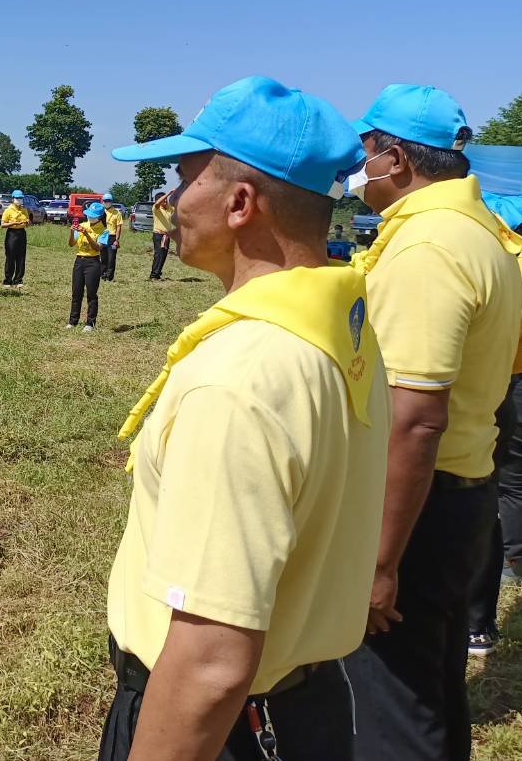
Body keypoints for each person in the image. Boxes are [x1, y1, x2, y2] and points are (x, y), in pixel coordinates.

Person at [100, 75, 389, 761]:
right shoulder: (344, 332)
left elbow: (209, 663)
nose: (171, 200)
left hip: (225, 729)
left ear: (239, 203)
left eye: (182, 177)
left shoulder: (238, 378)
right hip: (306, 705)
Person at [343, 83, 520, 761]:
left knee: (387, 703)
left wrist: (379, 561)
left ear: (394, 159)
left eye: (365, 151)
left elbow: (415, 418)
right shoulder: (474, 233)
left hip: (413, 499)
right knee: (430, 686)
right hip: (456, 489)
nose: (358, 168)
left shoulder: (427, 247)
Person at [466, 196, 522, 655]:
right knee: (510, 478)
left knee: (513, 480)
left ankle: (515, 559)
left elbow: (501, 328)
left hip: (521, 385)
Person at [67, 203, 106, 331]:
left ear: (99, 217)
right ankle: (73, 321)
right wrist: (72, 232)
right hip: (79, 261)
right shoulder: (82, 225)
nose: (90, 217)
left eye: (93, 216)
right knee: (76, 292)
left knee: (91, 293)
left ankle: (90, 323)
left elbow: (98, 247)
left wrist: (87, 235)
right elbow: (71, 244)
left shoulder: (104, 230)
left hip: (93, 262)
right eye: (89, 215)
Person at [1, 189, 32, 287]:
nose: (19, 200)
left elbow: (27, 223)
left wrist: (28, 222)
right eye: (17, 198)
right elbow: (3, 224)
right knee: (10, 256)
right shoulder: (8, 210)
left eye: (21, 198)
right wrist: (12, 223)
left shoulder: (24, 210)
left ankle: (18, 279)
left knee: (21, 257)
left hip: (22, 233)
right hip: (12, 233)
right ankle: (8, 280)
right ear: (13, 199)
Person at [148, 191, 175, 280]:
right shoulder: (156, 209)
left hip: (166, 236)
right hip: (158, 235)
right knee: (158, 254)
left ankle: (158, 273)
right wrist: (168, 193)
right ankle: (153, 275)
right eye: (164, 200)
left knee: (163, 255)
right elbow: (157, 203)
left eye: (166, 200)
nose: (166, 201)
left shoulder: (169, 208)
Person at [101, 194, 124, 281]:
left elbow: (118, 227)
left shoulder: (117, 213)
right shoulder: (101, 211)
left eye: (108, 201)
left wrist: (117, 240)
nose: (107, 203)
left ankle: (109, 276)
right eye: (105, 201)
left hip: (112, 238)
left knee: (111, 258)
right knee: (103, 258)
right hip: (102, 237)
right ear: (103, 202)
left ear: (111, 202)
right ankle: (103, 274)